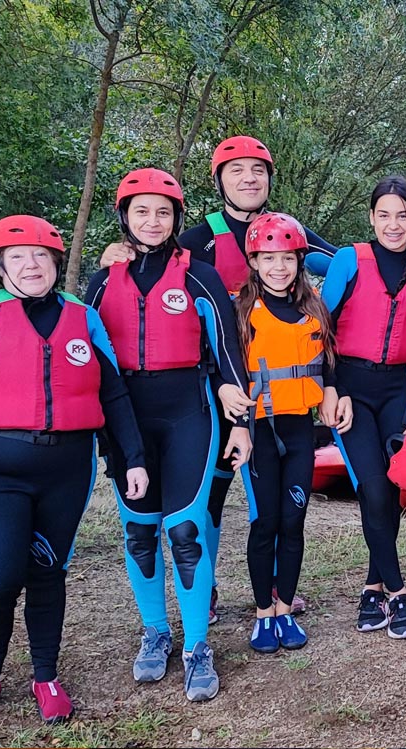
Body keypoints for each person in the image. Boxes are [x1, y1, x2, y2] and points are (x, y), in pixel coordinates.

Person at [96, 136, 343, 624]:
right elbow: (153, 264)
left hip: (265, 392)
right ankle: (203, 591)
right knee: (208, 496)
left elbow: (342, 263)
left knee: (264, 499)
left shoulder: (284, 232)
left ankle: (273, 593)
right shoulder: (196, 238)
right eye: (236, 170)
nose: (249, 178)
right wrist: (117, 252)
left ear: (270, 178)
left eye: (258, 169)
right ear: (219, 180)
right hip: (207, 392)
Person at [0, 216, 148, 724]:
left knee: (49, 573)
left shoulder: (81, 318)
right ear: (0, 267)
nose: (31, 266)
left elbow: (113, 391)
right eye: (18, 258)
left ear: (55, 263)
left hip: (68, 469)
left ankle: (45, 674)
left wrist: (132, 457)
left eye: (41, 257)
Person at [85, 167, 254, 702]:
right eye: (142, 211)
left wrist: (241, 422)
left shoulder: (199, 276)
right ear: (124, 217)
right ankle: (156, 632)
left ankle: (198, 645)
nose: (153, 221)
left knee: (185, 531)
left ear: (177, 218)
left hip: (189, 413)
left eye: (163, 211)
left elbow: (228, 353)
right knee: (139, 532)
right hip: (126, 419)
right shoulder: (101, 278)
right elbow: (81, 352)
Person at [322, 176, 406, 638]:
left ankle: (372, 586)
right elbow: (320, 328)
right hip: (350, 389)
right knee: (371, 487)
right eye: (384, 214)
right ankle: (397, 591)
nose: (393, 224)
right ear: (371, 218)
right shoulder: (350, 260)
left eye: (403, 216)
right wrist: (328, 388)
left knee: (390, 493)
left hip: (398, 391)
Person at [237, 212, 339, 653]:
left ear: (300, 261)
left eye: (287, 258)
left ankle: (283, 608)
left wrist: (336, 391)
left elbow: (333, 362)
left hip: (300, 429)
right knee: (265, 524)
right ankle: (262, 614)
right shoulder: (241, 311)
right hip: (259, 430)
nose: (279, 267)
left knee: (293, 521)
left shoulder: (314, 307)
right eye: (269, 258)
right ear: (254, 261)